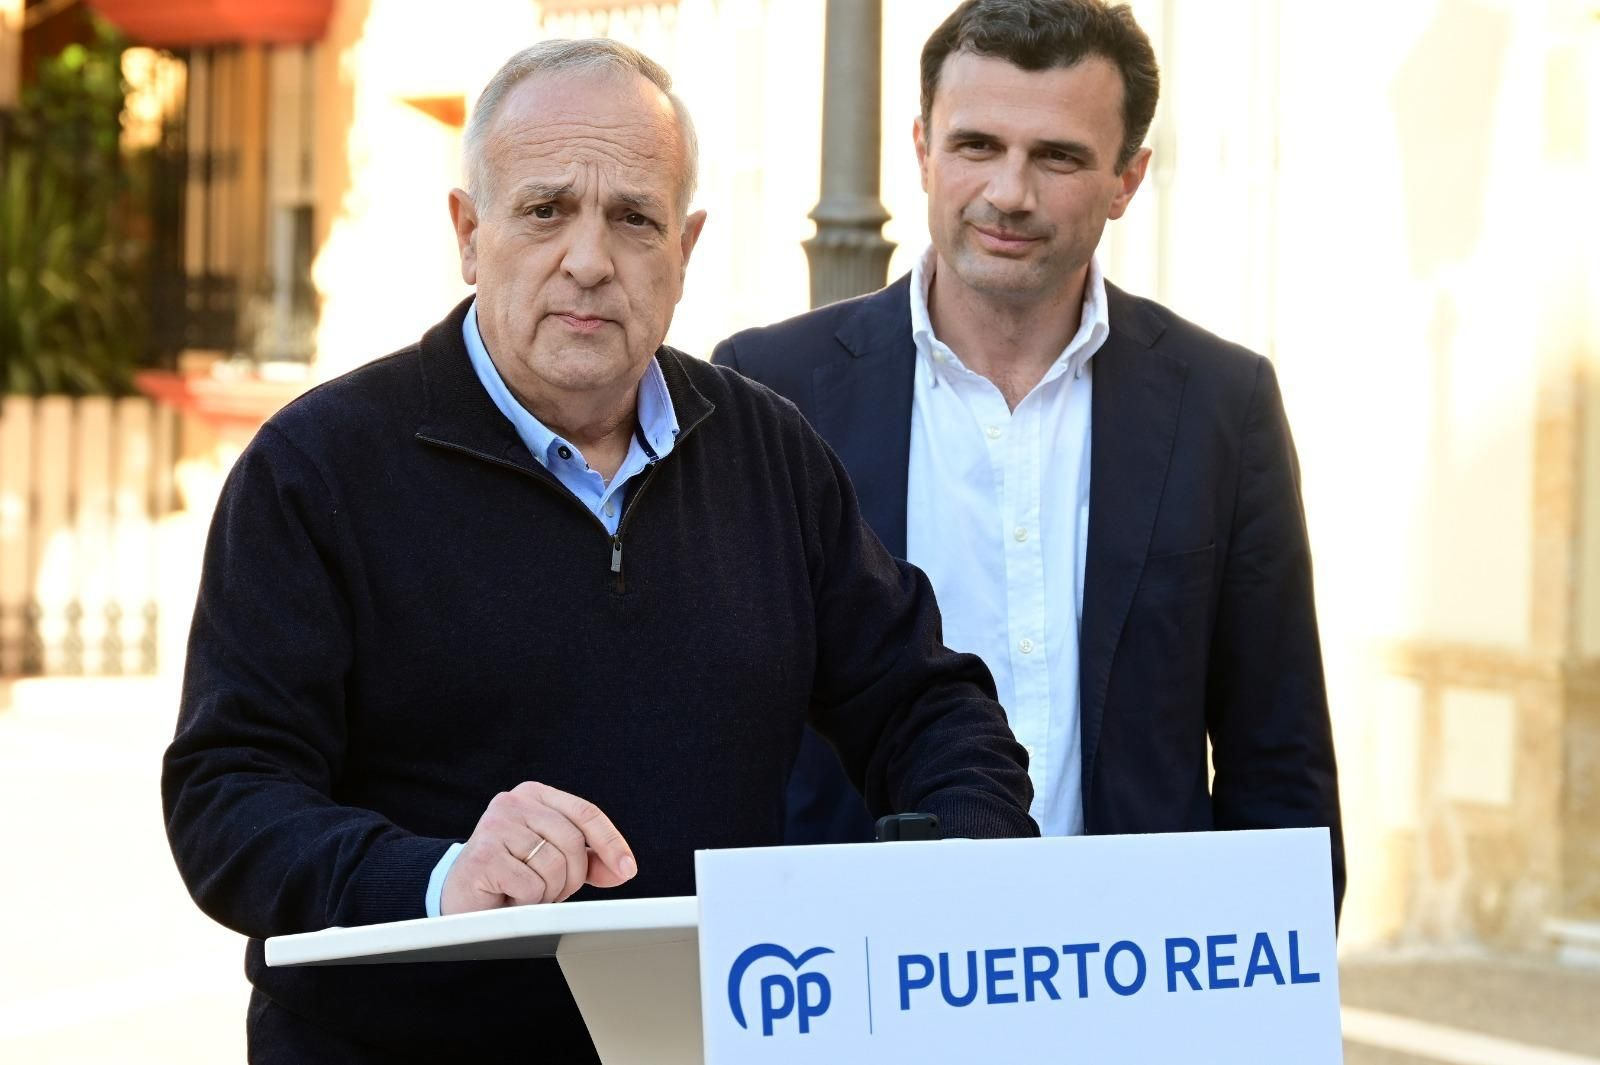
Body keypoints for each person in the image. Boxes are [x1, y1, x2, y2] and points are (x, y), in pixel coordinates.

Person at [163, 39, 1037, 1063]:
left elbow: (924, 702)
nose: (588, 259)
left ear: (686, 245)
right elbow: (228, 800)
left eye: (633, 217)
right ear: (467, 231)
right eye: (544, 211)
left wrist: (954, 854)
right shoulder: (316, 468)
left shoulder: (769, 451)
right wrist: (442, 878)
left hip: (708, 1041)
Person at [713, 0, 1344, 914]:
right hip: (856, 979)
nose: (1010, 192)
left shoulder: (1223, 402)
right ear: (923, 147)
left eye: (1057, 156)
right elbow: (720, 730)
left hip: (1137, 982)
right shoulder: (773, 389)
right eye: (977, 146)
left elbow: (1277, 757)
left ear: (1128, 179)